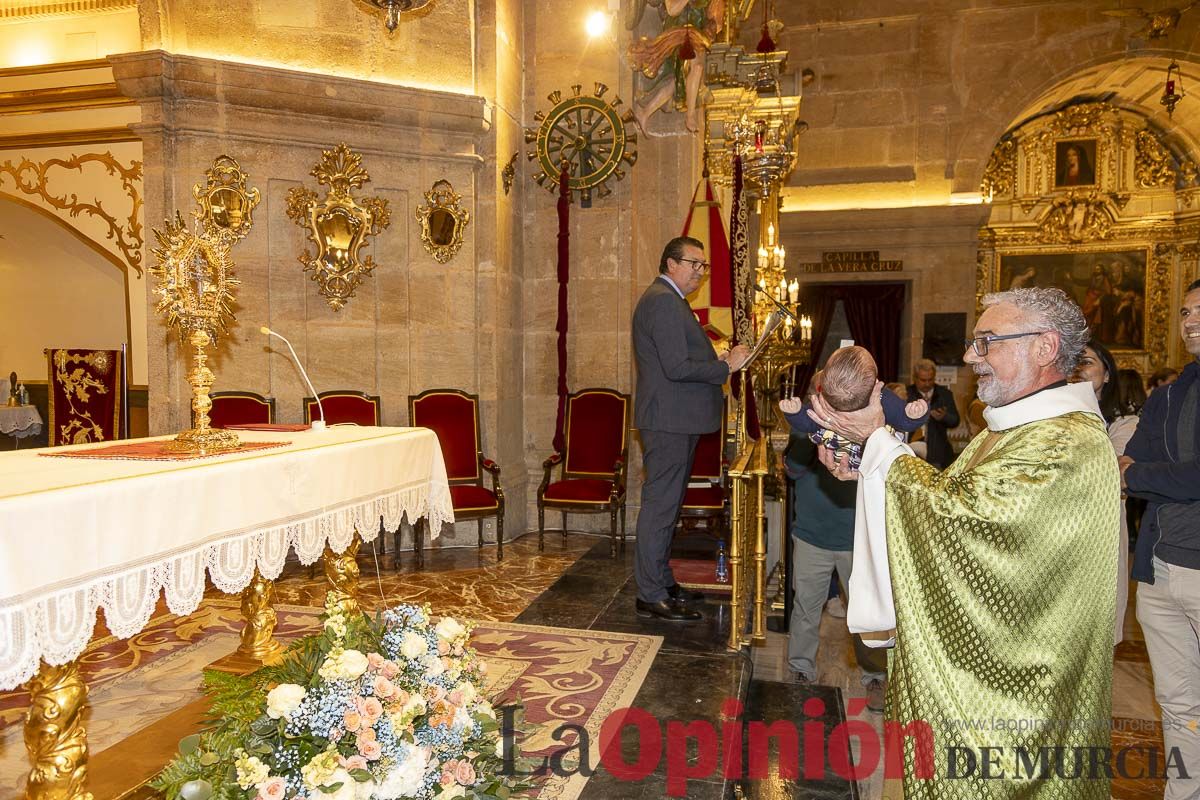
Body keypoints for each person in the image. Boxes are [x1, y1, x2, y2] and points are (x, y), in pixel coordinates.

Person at [812, 287, 1118, 799]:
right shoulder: (1016, 430)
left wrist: (879, 443)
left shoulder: (1062, 442)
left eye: (988, 341)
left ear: (1044, 347)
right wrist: (868, 467)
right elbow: (950, 497)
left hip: (1017, 704)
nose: (971, 356)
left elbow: (964, 521)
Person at [632, 235, 749, 622]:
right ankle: (650, 592)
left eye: (704, 266)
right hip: (668, 421)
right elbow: (676, 367)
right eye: (693, 264)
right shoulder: (663, 301)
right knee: (660, 509)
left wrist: (716, 357)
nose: (700, 273)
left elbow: (678, 360)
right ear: (670, 264)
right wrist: (725, 366)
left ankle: (662, 582)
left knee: (668, 509)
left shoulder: (670, 301)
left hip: (675, 419)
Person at [1120, 278, 1200, 800]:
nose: (1190, 320)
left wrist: (1146, 472)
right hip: (1159, 568)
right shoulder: (1168, 394)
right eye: (1186, 312)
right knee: (1177, 703)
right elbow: (1128, 466)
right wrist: (1147, 471)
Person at [784, 432, 888, 711]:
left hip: (856, 539)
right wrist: (811, 431)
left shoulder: (866, 428)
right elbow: (792, 469)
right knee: (805, 607)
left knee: (866, 613)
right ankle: (801, 669)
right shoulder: (807, 430)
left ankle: (876, 677)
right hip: (811, 537)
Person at [1073, 339, 1138, 644]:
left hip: (1102, 530)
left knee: (1096, 633)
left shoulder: (1125, 423)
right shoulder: (1051, 419)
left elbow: (1106, 470)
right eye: (1071, 363)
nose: (1077, 370)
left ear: (1107, 373)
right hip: (1059, 529)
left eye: (1085, 362)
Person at [779, 346, 928, 470]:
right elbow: (903, 421)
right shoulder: (881, 397)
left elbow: (806, 421)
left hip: (871, 463)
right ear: (875, 383)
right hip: (864, 464)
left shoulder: (880, 399)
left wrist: (795, 413)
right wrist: (914, 416)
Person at [905, 358, 960, 469]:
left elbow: (955, 421)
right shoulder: (906, 393)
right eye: (923, 380)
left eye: (930, 380)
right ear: (915, 378)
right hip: (911, 451)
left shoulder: (944, 394)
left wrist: (944, 417)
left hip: (938, 453)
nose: (927, 384)